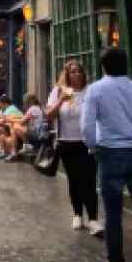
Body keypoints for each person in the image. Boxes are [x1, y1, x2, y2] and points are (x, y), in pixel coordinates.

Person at [81, 47, 132, 262]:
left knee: (113, 213)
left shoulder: (96, 90)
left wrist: (93, 147)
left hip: (110, 153)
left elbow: (87, 126)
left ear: (103, 66)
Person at [46, 60, 103, 237]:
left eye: (79, 71)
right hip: (66, 141)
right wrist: (62, 99)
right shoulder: (58, 92)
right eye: (72, 72)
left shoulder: (90, 91)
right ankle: (78, 214)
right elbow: (49, 115)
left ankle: (93, 219)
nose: (76, 75)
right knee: (74, 179)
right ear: (67, 74)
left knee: (89, 180)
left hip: (86, 142)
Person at [3, 94, 46, 162]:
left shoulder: (33, 109)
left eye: (25, 102)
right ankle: (14, 152)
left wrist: (9, 120)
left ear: (29, 101)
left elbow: (21, 121)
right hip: (40, 133)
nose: (25, 104)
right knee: (14, 129)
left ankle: (27, 146)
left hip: (38, 134)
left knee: (16, 127)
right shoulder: (39, 108)